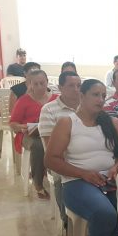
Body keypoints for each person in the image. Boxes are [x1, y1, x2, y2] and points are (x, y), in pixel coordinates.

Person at [45, 79, 118, 236]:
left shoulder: (111, 122)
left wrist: (115, 168)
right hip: (77, 182)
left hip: (108, 179)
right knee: (105, 214)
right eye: (95, 95)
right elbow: (50, 160)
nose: (100, 99)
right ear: (82, 96)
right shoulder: (67, 123)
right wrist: (84, 174)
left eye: (103, 96)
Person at [39, 71, 82, 226]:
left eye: (79, 85)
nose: (76, 89)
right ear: (60, 87)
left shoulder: (87, 106)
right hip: (61, 160)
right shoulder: (49, 110)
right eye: (71, 86)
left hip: (86, 156)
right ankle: (68, 222)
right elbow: (50, 146)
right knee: (61, 177)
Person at [10, 70, 57, 199]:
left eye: (42, 83)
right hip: (29, 135)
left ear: (47, 82)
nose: (39, 87)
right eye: (35, 84)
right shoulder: (24, 100)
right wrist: (22, 127)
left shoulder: (56, 99)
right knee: (39, 146)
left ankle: (57, 176)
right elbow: (13, 123)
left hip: (52, 134)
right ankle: (38, 183)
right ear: (30, 85)